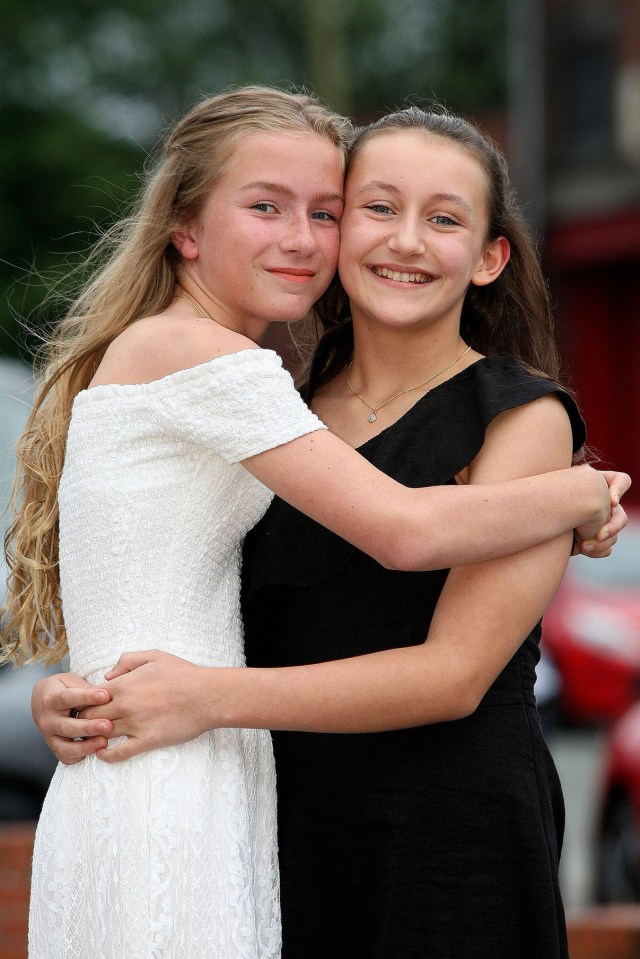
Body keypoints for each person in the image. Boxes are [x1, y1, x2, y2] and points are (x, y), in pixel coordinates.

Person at [16, 89, 628, 959]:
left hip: (447, 837)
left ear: (490, 258)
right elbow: (204, 583)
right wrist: (81, 691)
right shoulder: (279, 408)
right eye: (374, 208)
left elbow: (453, 674)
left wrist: (198, 695)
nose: (404, 240)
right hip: (285, 824)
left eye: (443, 219)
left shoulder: (522, 417)